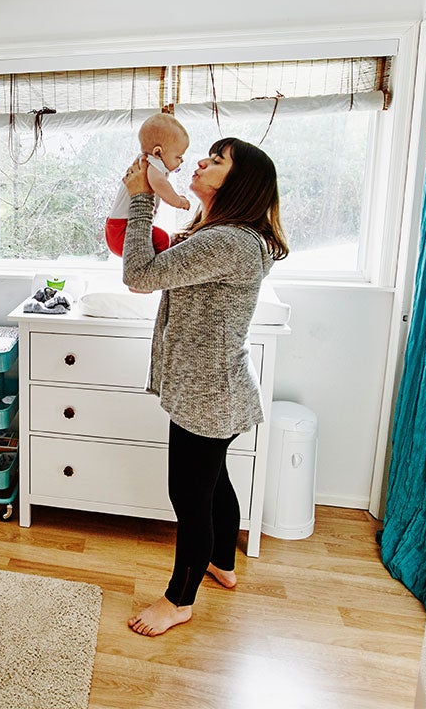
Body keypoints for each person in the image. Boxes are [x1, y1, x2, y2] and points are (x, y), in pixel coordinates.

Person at [120, 137, 288, 637]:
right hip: (218, 388)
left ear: (238, 183)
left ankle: (179, 601)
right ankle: (223, 563)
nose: (201, 162)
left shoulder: (227, 241)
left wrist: (142, 199)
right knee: (213, 485)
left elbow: (138, 275)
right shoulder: (230, 235)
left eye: (216, 161)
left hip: (209, 395)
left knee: (189, 497)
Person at [104, 113, 192, 258]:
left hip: (115, 229)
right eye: (178, 156)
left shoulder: (146, 162)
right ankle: (152, 264)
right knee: (163, 239)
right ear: (158, 152)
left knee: (161, 239)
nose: (181, 161)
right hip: (123, 230)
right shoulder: (153, 163)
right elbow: (160, 184)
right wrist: (179, 201)